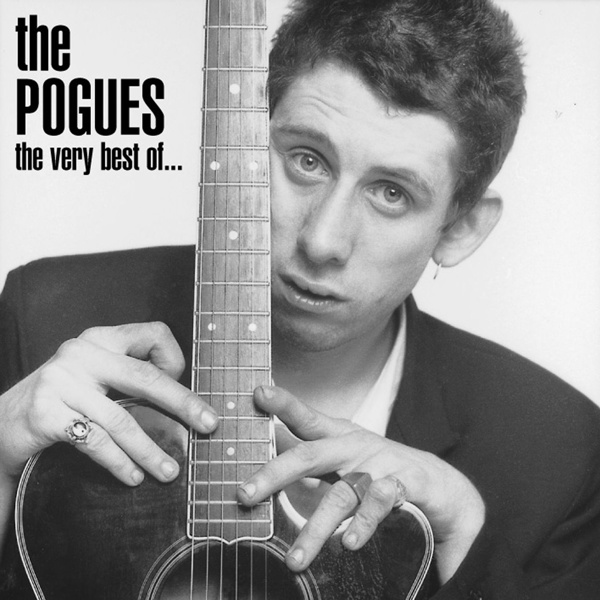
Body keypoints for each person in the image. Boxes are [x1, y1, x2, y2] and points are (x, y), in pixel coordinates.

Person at [1, 0, 600, 597]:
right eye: (306, 160)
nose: (323, 241)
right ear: (243, 145)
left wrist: (466, 537)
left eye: (392, 193)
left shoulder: (557, 453)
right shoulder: (45, 317)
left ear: (460, 228)